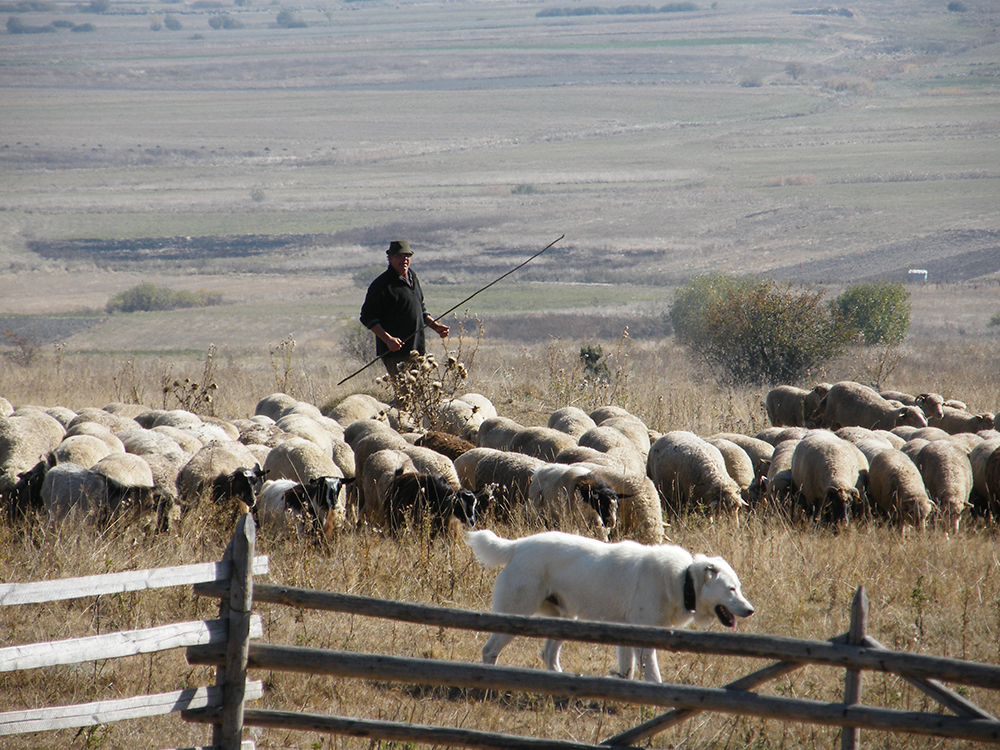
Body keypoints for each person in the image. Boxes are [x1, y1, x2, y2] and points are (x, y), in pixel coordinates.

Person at [359, 240, 449, 376]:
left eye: (407, 256)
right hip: (395, 353)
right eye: (398, 256)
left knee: (421, 394)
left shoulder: (412, 277)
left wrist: (435, 326)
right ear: (389, 259)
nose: (404, 260)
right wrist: (388, 339)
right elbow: (367, 316)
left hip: (417, 350)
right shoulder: (381, 285)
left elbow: (420, 308)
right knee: (405, 394)